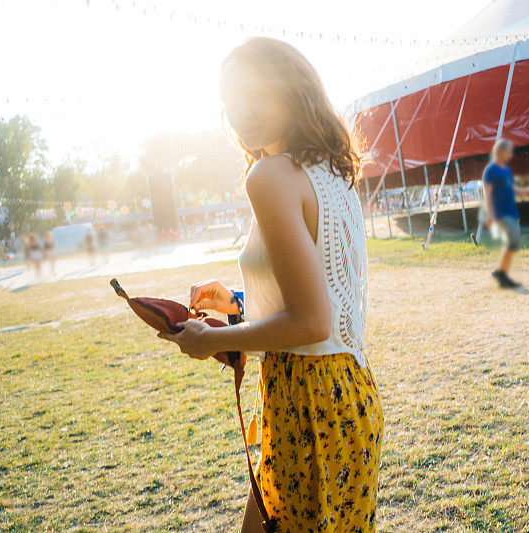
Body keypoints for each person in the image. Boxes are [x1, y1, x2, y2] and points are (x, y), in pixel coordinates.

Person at [157, 37, 382, 532]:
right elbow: (315, 300)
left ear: (292, 90)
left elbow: (311, 321)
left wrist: (211, 339)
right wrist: (237, 302)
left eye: (254, 94)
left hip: (310, 403)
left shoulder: (270, 175)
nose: (240, 112)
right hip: (345, 395)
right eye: (229, 101)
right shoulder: (330, 171)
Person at [482, 139, 529, 288]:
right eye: (509, 151)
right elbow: (487, 193)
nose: (511, 154)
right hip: (501, 213)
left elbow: (512, 189)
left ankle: (501, 272)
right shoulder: (490, 171)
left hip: (512, 211)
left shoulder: (506, 170)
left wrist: (527, 190)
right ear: (500, 151)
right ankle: (502, 275)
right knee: (512, 242)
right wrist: (490, 214)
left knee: (513, 243)